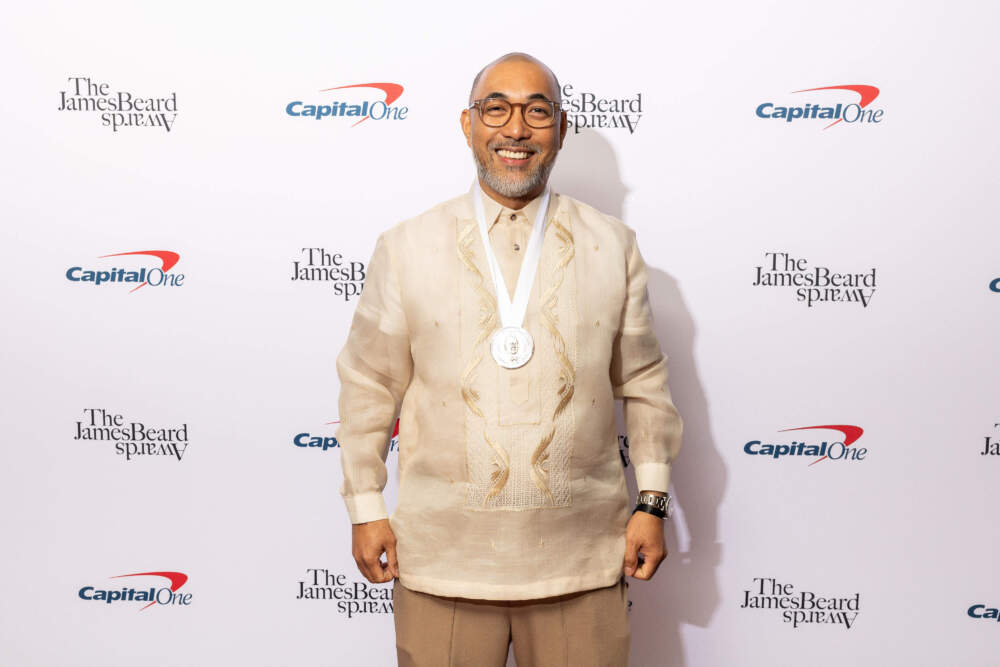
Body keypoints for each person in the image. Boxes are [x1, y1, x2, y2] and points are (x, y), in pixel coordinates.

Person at [335, 52, 683, 667]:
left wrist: (651, 502)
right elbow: (369, 383)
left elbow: (645, 381)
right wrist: (366, 509)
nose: (515, 130)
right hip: (443, 561)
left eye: (536, 111)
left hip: (581, 561)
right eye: (496, 109)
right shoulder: (407, 246)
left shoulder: (612, 245)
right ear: (468, 125)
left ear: (562, 129)